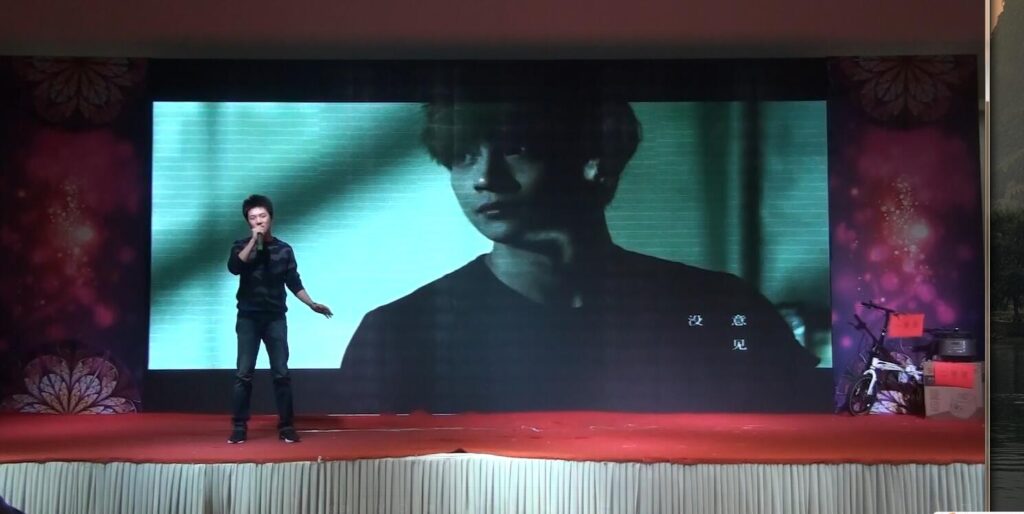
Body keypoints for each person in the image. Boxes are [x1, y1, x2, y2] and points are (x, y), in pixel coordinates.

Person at [338, 94, 827, 413]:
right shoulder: (399, 333)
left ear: (596, 159)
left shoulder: (721, 304)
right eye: (463, 157)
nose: (485, 177)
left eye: (516, 148)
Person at [227, 194, 332, 443]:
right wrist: (254, 242)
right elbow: (234, 268)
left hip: (275, 318)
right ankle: (239, 427)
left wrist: (311, 304)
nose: (258, 221)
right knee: (244, 373)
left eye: (262, 216)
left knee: (281, 373)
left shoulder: (284, 250)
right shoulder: (241, 246)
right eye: (253, 218)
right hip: (248, 319)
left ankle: (286, 426)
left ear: (271, 218)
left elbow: (293, 282)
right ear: (248, 222)